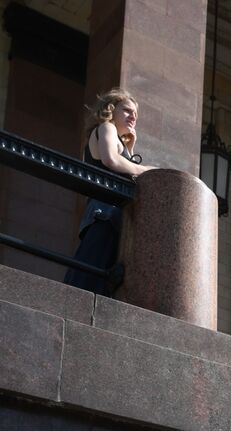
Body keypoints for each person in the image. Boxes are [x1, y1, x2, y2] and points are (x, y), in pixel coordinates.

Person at [64, 89, 153, 293]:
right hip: (105, 214)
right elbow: (110, 160)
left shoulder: (116, 137)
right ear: (111, 109)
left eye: (136, 114)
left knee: (95, 276)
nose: (133, 117)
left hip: (108, 215)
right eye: (127, 111)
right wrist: (146, 170)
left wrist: (130, 149)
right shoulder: (106, 127)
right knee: (89, 276)